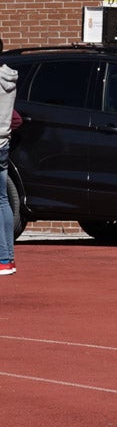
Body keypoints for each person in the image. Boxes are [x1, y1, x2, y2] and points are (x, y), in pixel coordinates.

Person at [0, 55, 19, 276]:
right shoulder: (9, 76)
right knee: (3, 199)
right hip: (4, 141)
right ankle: (8, 259)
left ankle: (3, 259)